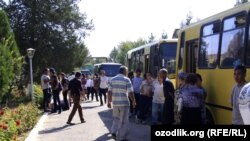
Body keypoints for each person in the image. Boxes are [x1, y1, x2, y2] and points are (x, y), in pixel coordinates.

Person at [107, 66, 136, 141]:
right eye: (127, 71)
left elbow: (109, 91)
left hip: (115, 103)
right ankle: (121, 137)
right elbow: (130, 92)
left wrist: (109, 102)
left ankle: (113, 132)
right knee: (124, 121)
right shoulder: (126, 79)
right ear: (124, 71)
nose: (127, 72)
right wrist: (133, 101)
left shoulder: (112, 79)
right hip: (124, 103)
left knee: (116, 118)